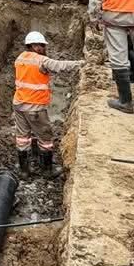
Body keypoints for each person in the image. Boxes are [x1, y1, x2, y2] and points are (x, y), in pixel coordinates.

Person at [13, 30, 83, 176]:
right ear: (34, 46)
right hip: (35, 107)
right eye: (42, 46)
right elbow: (59, 66)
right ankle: (47, 169)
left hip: (19, 104)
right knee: (45, 138)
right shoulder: (41, 60)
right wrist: (80, 64)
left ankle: (24, 169)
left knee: (22, 137)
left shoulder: (20, 58)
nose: (44, 49)